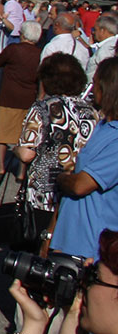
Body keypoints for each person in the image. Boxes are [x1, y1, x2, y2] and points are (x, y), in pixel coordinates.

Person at [17, 52, 99, 245]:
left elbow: (27, 153)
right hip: (77, 190)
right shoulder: (91, 112)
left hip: (44, 192)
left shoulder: (43, 108)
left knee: (35, 247)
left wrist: (16, 149)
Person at [51, 58, 118, 263]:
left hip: (91, 249)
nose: (92, 88)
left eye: (96, 83)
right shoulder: (104, 126)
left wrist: (62, 179)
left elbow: (81, 185)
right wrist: (50, 235)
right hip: (69, 238)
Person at [0, 20, 44, 179]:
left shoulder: (13, 49)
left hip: (9, 96)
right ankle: (21, 172)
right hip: (29, 97)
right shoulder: (40, 53)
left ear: (23, 34)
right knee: (25, 135)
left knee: (2, 134)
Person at [88, 14, 117, 80]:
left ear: (102, 30)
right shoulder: (113, 44)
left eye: (95, 29)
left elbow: (107, 74)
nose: (93, 32)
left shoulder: (106, 48)